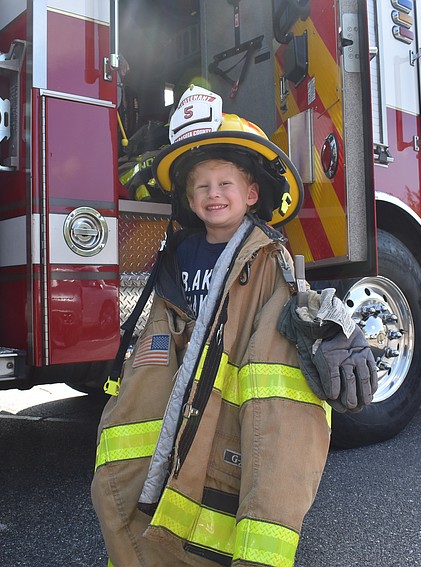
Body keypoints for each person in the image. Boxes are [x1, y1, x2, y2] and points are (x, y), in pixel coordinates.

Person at [91, 85, 332, 566]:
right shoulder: (178, 255)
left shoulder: (268, 260)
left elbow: (277, 339)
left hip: (226, 401)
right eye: (201, 186)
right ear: (188, 198)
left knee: (211, 512)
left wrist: (330, 330)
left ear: (252, 193)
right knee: (118, 493)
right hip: (182, 393)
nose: (213, 194)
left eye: (225, 184)